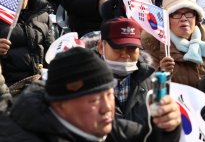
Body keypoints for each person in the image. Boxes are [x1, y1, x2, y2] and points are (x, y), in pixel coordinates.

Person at [0, 47, 181, 141]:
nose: (107, 108)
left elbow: (145, 138)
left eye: (109, 95)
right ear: (59, 104)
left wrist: (167, 128)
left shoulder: (103, 126)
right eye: (94, 100)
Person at [141, 0, 205, 87]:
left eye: (189, 13)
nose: (184, 18)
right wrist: (161, 73)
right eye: (176, 14)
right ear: (167, 20)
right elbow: (146, 88)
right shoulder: (154, 48)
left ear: (196, 18)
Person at [0, 0, 52, 87]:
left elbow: (51, 54)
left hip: (40, 87)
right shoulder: (2, 12)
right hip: (7, 90)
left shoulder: (42, 14)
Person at [98, 18, 155, 127]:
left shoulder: (151, 81)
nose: (125, 55)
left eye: (131, 49)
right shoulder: (84, 82)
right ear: (101, 47)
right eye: (118, 48)